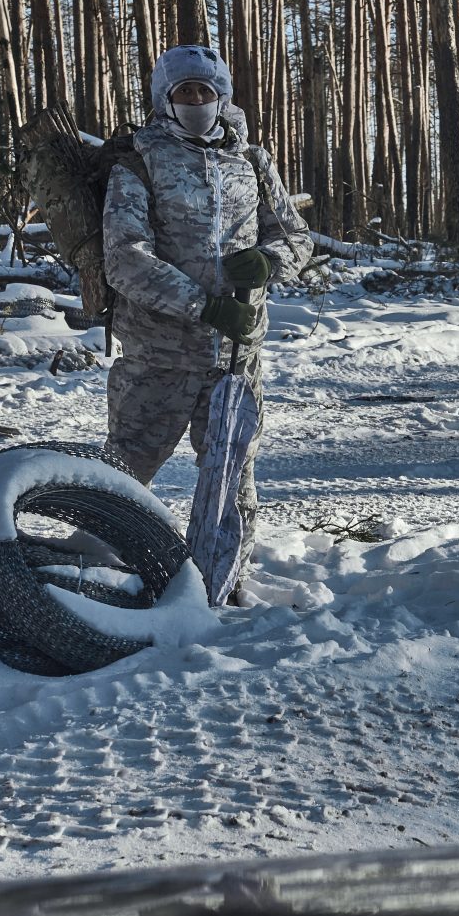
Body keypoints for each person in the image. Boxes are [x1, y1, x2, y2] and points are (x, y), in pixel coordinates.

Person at [102, 44, 311, 591]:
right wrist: (203, 305)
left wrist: (270, 260)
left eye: (205, 91)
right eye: (184, 91)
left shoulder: (252, 161)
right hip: (158, 354)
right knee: (123, 473)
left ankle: (223, 578)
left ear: (222, 97)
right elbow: (126, 258)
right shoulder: (138, 159)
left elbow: (294, 236)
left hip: (237, 357)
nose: (196, 100)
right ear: (164, 100)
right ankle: (103, 576)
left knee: (233, 474)